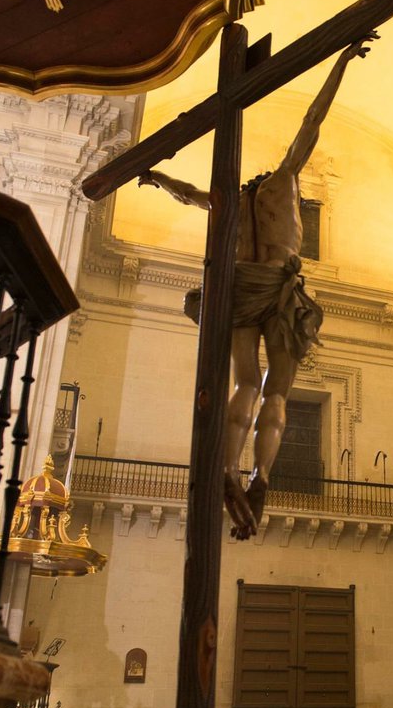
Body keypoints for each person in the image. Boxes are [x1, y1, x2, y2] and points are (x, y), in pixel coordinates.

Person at [138, 34, 377, 539]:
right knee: (277, 391)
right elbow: (313, 121)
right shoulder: (285, 180)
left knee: (245, 382)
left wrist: (155, 176)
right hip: (279, 286)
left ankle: (227, 466)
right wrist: (342, 61)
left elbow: (186, 194)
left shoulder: (226, 200)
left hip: (239, 287)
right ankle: (261, 476)